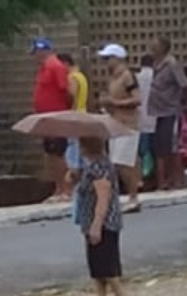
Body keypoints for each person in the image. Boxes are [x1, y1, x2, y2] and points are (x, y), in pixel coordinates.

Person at [73, 136, 126, 296]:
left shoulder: (99, 167)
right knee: (96, 265)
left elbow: (103, 197)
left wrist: (97, 224)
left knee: (106, 263)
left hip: (103, 222)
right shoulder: (94, 165)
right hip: (91, 221)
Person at [98, 43, 142, 212]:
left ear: (117, 58)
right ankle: (127, 196)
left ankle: (133, 197)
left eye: (108, 58)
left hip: (128, 123)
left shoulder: (127, 76)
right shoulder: (113, 78)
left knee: (125, 162)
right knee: (117, 162)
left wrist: (115, 102)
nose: (105, 62)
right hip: (115, 122)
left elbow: (137, 99)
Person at [31, 38, 73, 202]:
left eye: (36, 53)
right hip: (45, 118)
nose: (35, 57)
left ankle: (66, 188)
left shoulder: (55, 66)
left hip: (56, 116)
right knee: (50, 154)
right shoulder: (43, 69)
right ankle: (58, 187)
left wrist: (64, 111)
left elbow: (66, 91)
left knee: (58, 153)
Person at [146, 36, 187, 190]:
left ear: (163, 47)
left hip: (170, 111)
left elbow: (183, 84)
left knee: (172, 147)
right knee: (160, 147)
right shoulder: (156, 65)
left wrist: (179, 102)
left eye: (155, 45)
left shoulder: (172, 65)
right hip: (158, 112)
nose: (151, 48)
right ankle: (164, 180)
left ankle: (178, 180)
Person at [58, 53, 89, 201]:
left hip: (74, 117)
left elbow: (71, 96)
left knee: (72, 154)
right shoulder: (81, 76)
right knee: (81, 154)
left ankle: (70, 191)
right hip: (83, 114)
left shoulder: (72, 77)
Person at [137, 54, 157, 188]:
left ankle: (144, 177)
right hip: (156, 118)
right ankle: (153, 177)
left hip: (140, 119)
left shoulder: (136, 78)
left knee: (143, 151)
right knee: (156, 151)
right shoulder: (156, 78)